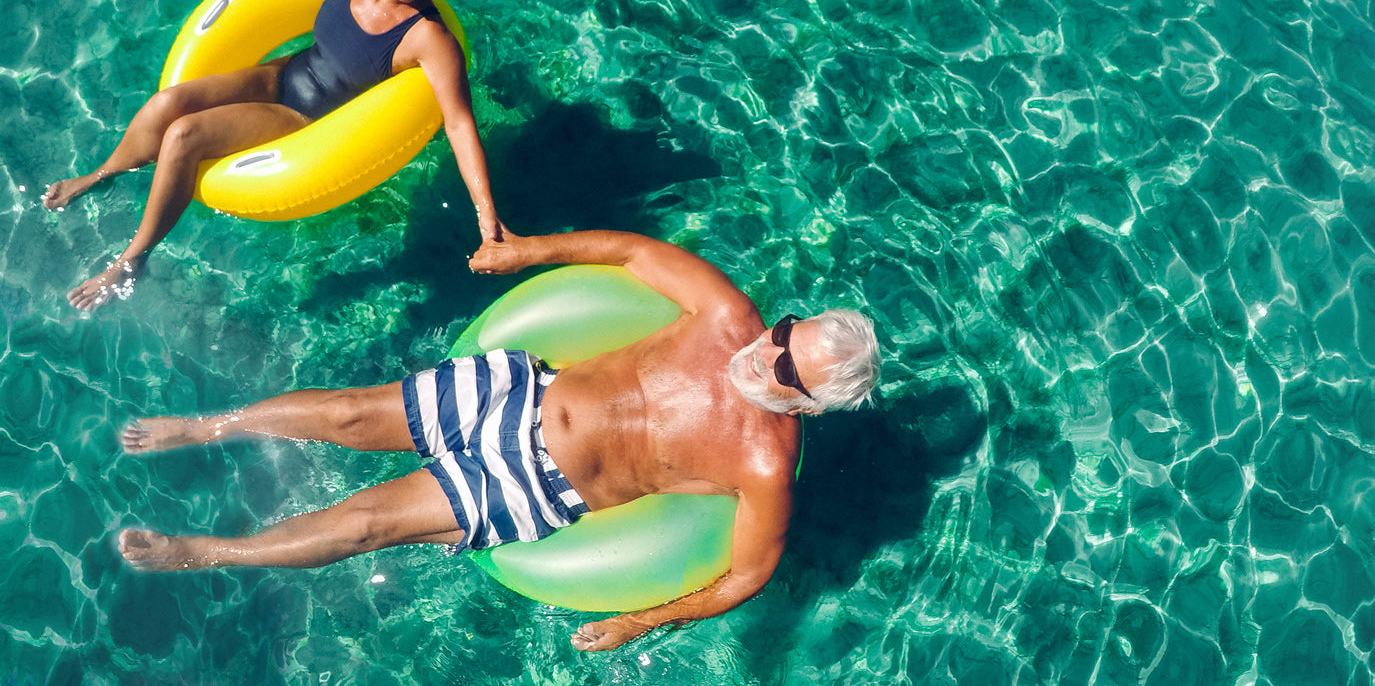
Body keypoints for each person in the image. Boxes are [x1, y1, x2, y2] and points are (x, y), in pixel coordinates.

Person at [116, 229, 881, 652]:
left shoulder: (762, 465)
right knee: (351, 413)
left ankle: (206, 551)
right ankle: (211, 426)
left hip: (540, 487)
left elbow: (746, 577)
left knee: (365, 526)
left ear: (811, 406)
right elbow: (631, 256)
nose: (766, 352)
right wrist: (528, 251)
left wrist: (639, 621)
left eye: (786, 367)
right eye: (785, 333)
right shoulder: (726, 318)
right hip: (523, 389)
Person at [45, 0, 504, 311]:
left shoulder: (429, 38)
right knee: (169, 103)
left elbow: (460, 125)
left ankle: (132, 259)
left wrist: (488, 222)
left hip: (303, 116)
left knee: (185, 135)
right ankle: (103, 174)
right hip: (280, 75)